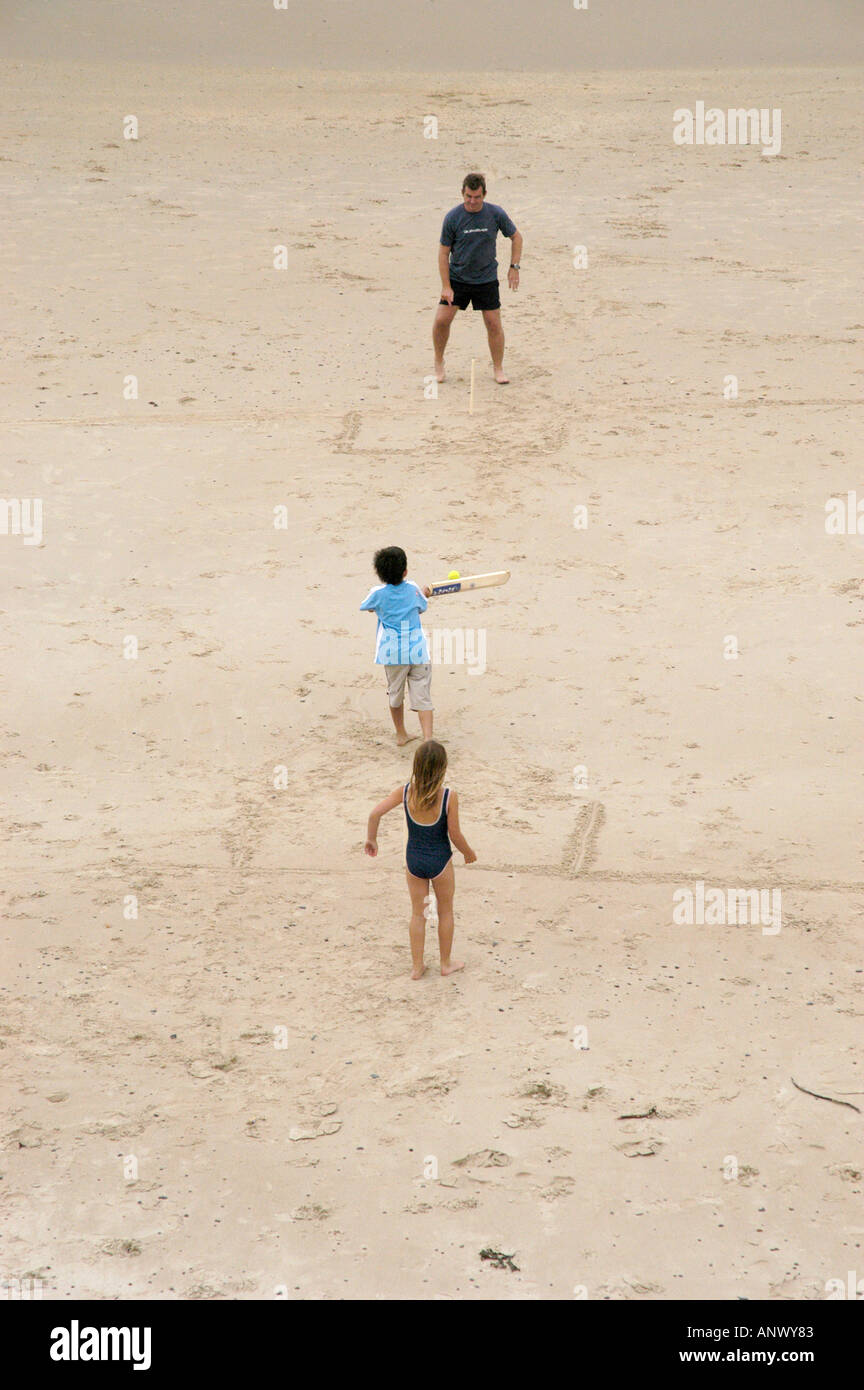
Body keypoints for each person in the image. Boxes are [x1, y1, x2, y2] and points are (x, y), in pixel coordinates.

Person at [365, 740, 476, 979]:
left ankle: (417, 967)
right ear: (443, 768)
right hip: (440, 862)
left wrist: (371, 839)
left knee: (419, 913)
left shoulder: (405, 792)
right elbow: (454, 834)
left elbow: (375, 813)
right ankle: (445, 963)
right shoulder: (448, 797)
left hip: (414, 861)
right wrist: (468, 852)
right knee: (445, 912)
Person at [433, 172, 523, 386]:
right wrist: (446, 286)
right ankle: (438, 362)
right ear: (462, 194)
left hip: (486, 279)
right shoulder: (453, 217)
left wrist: (514, 267)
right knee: (441, 321)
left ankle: (498, 368)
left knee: (493, 324)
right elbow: (444, 253)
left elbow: (516, 237)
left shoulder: (495, 213)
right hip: (458, 279)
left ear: (484, 195)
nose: (472, 201)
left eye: (477, 197)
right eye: (468, 197)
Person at [360, 545, 433, 745]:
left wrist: (377, 608)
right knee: (422, 693)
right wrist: (425, 593)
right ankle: (428, 739)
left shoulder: (377, 593)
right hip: (417, 650)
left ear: (379, 573)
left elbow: (365, 605)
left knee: (395, 693)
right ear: (405, 571)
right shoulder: (413, 588)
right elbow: (421, 607)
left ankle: (401, 734)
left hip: (392, 653)